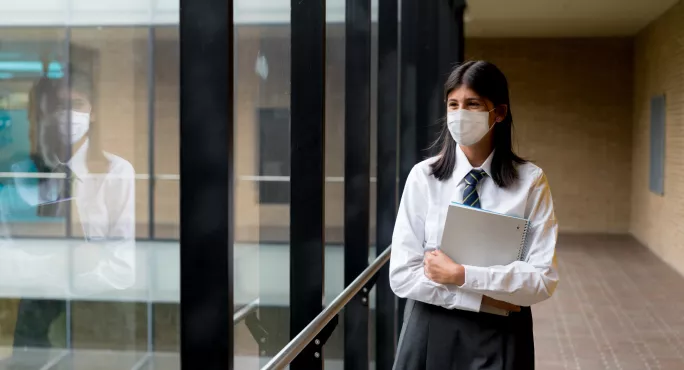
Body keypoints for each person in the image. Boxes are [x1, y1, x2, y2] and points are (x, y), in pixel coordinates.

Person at [389, 61, 559, 370]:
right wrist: (481, 299)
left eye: (472, 104)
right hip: (431, 325)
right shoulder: (423, 177)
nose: (460, 114)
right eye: (453, 105)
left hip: (502, 332)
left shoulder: (531, 182)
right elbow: (402, 275)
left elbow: (542, 278)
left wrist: (461, 275)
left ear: (500, 113)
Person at [0, 64, 136, 369]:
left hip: (100, 320)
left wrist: (44, 268)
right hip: (35, 317)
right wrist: (68, 263)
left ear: (94, 111)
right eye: (60, 105)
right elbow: (4, 263)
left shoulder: (117, 173)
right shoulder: (19, 173)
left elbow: (123, 268)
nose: (68, 114)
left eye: (77, 105)